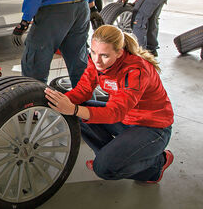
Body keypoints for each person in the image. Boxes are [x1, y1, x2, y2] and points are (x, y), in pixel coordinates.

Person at [45, 25, 174, 183]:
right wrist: (53, 102)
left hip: (152, 127)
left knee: (104, 169)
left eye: (104, 55)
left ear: (119, 52)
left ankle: (158, 163)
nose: (97, 60)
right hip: (126, 119)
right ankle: (111, 156)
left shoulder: (136, 71)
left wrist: (74, 108)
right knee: (77, 113)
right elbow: (83, 91)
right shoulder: (97, 61)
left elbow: (115, 112)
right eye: (93, 52)